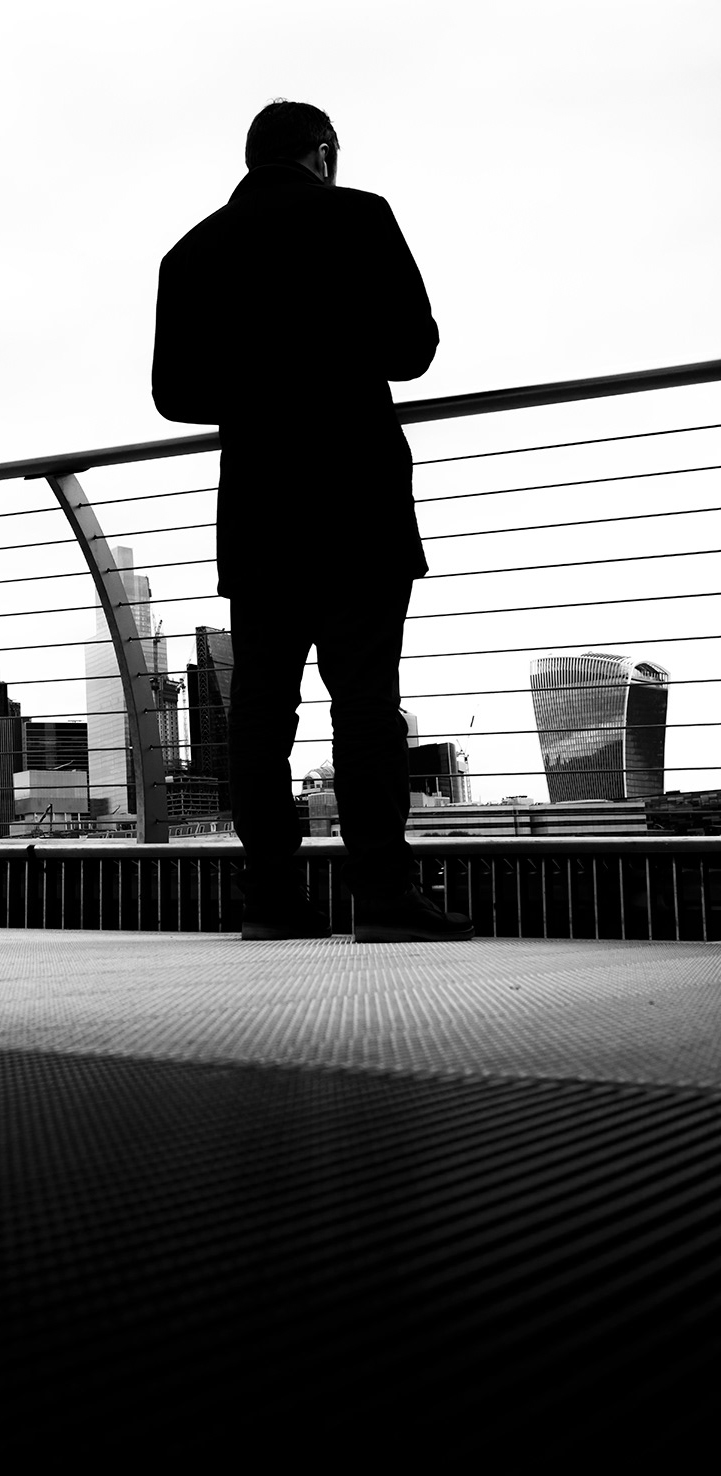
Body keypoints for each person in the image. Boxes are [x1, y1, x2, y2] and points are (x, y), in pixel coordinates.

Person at [152, 99, 473, 942]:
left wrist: (259, 384)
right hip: (356, 493)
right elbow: (412, 349)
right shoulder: (360, 217)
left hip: (260, 506)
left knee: (260, 710)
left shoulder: (190, 253)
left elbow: (174, 395)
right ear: (322, 155)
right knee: (366, 701)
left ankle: (271, 900)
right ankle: (383, 897)